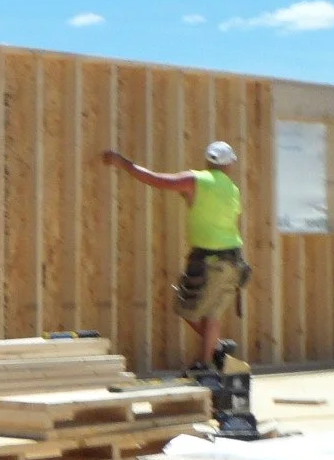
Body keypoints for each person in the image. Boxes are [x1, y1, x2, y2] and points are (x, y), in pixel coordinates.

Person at [103, 140, 247, 369]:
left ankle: (206, 362)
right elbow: (205, 208)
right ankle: (213, 352)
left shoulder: (196, 180)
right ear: (229, 164)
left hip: (210, 261)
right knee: (210, 312)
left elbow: (156, 180)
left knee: (190, 308)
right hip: (233, 261)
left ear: (207, 161)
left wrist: (123, 164)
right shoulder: (232, 189)